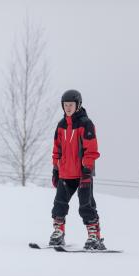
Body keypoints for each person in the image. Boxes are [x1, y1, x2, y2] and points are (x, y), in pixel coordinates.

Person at [50, 89, 105, 250]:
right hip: (65, 174)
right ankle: (58, 234)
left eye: (71, 105)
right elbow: (56, 149)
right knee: (59, 205)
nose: (68, 108)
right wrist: (55, 169)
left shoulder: (86, 124)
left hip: (82, 174)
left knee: (86, 206)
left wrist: (87, 170)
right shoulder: (61, 126)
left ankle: (94, 237)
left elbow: (91, 149)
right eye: (65, 105)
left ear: (78, 105)